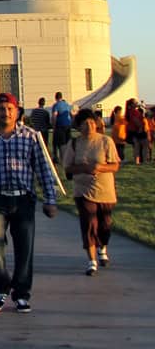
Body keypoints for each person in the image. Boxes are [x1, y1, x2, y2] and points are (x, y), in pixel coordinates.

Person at [0, 92, 59, 313]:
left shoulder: (29, 136)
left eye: (10, 108)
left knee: (24, 249)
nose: (6, 113)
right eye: (1, 109)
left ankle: (21, 294)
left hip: (23, 199)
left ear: (17, 110)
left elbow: (43, 169)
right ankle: (1, 287)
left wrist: (50, 199)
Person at [62, 108, 119, 275]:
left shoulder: (106, 141)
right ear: (79, 126)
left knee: (105, 224)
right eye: (85, 123)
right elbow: (68, 167)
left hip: (105, 190)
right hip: (83, 191)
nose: (89, 126)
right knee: (88, 224)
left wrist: (100, 168)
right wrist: (85, 168)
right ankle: (92, 260)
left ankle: (103, 248)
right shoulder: (74, 144)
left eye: (92, 122)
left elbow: (115, 165)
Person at [51, 91, 73, 161]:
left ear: (55, 97)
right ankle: (69, 157)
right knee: (68, 142)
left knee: (61, 143)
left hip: (60, 125)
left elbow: (54, 116)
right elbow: (71, 114)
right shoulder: (67, 104)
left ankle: (62, 158)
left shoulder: (56, 105)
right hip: (68, 125)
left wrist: (53, 126)